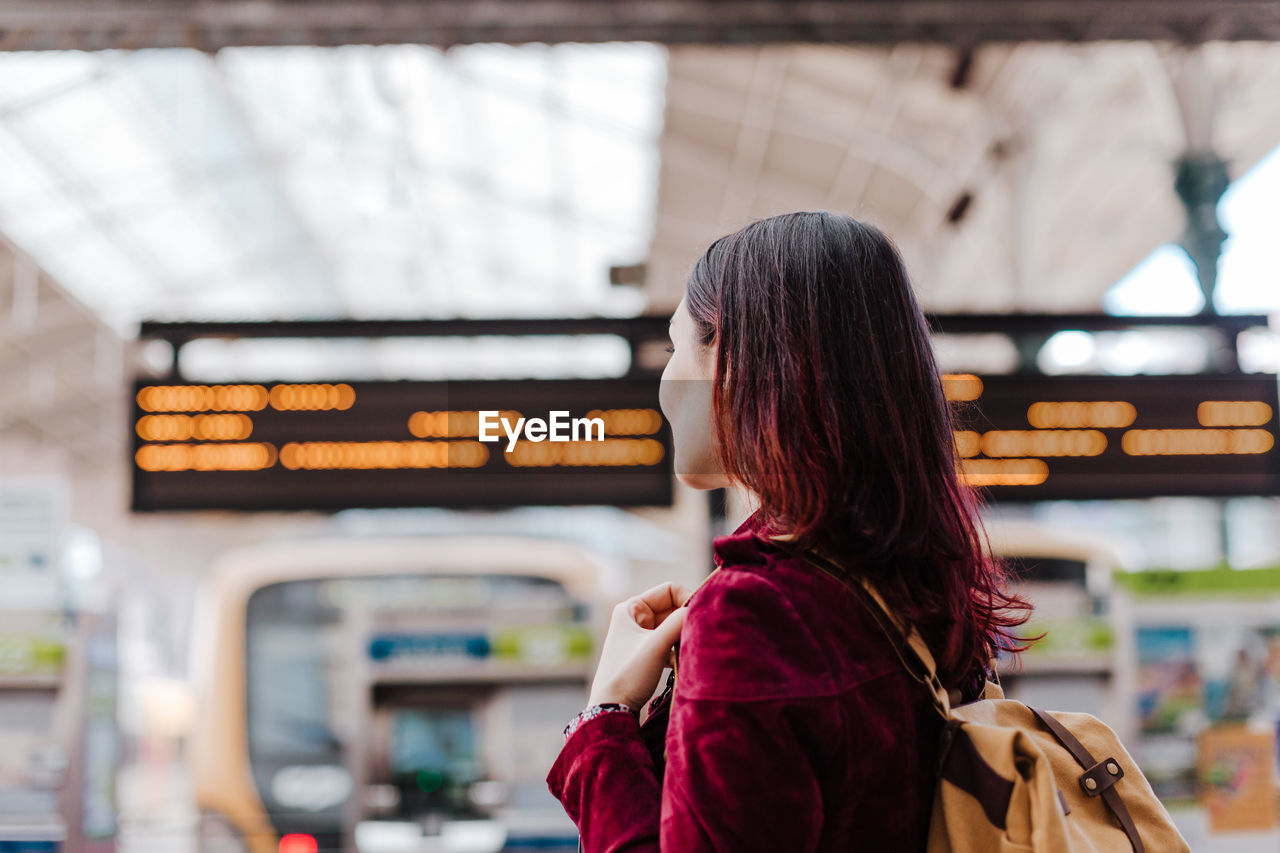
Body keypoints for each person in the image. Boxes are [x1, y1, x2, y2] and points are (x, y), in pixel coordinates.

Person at [546, 211, 1031, 851]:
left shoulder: (753, 615)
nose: (664, 384)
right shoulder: (923, 591)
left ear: (733, 355)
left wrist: (604, 719)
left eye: (674, 348)